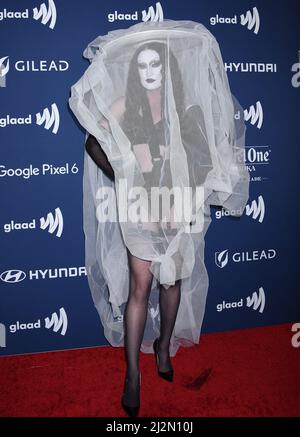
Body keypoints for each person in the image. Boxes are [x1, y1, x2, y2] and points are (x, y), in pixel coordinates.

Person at [69, 20, 250, 418]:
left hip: (179, 208)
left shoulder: (188, 108)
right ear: (136, 71)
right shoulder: (124, 107)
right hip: (139, 206)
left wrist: (176, 176)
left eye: (157, 65)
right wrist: (126, 168)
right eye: (144, 66)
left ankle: (164, 346)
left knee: (174, 283)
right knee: (140, 286)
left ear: (167, 69)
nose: (151, 72)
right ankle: (133, 374)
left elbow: (204, 162)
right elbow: (92, 141)